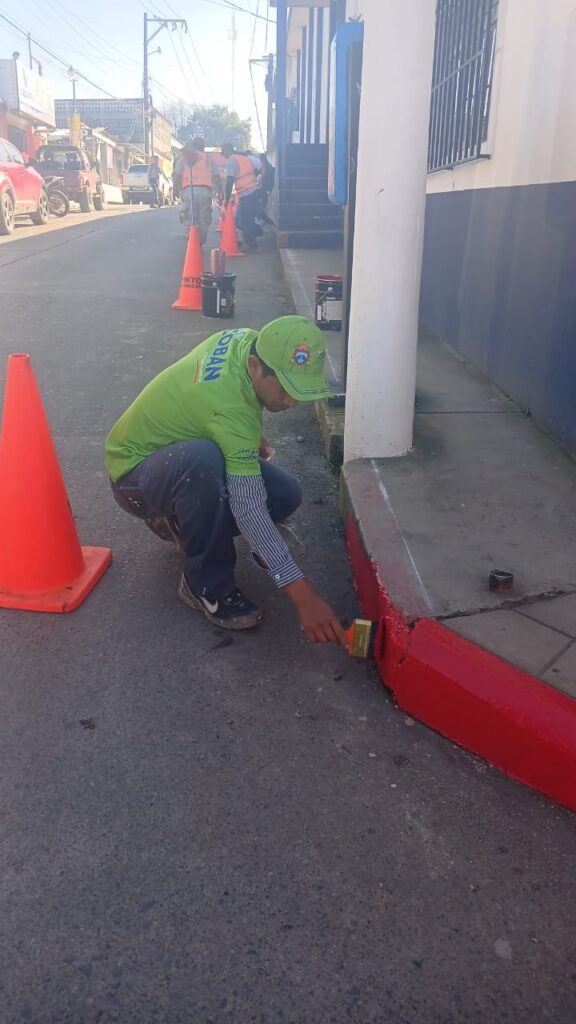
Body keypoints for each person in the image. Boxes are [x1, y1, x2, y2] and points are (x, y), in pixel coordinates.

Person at [105, 315, 346, 645]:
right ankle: (204, 584)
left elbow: (213, 401)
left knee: (285, 495)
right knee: (205, 461)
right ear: (254, 366)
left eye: (300, 391)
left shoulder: (245, 338)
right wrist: (303, 595)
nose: (292, 403)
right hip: (135, 476)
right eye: (286, 389)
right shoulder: (231, 414)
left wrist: (248, 435)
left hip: (175, 455)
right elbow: (248, 509)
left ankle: (181, 518)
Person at [173, 137, 220, 244]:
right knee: (203, 219)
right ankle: (200, 243)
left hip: (189, 191)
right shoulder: (208, 158)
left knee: (189, 217)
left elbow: (177, 174)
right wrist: (219, 190)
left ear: (193, 146)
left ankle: (190, 241)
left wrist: (175, 189)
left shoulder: (185, 157)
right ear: (203, 147)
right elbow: (216, 175)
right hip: (205, 192)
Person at [222, 142, 262, 252]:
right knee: (245, 219)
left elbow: (229, 180)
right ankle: (252, 238)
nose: (224, 156)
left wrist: (227, 198)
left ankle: (252, 245)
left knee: (245, 221)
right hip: (253, 191)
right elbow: (256, 170)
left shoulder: (232, 159)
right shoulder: (244, 158)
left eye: (224, 153)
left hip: (247, 193)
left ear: (227, 150)